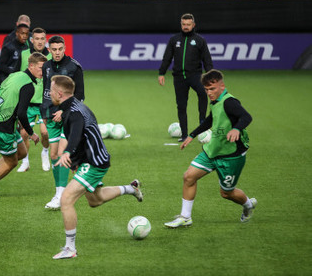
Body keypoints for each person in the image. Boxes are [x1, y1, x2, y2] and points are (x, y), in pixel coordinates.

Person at [50, 75, 143, 259]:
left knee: (66, 199)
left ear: (59, 93)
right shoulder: (71, 106)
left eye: (51, 90)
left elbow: (76, 132)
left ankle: (70, 249)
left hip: (93, 162)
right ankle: (131, 188)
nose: (49, 93)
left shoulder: (74, 112)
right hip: (85, 160)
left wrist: (67, 152)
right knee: (95, 200)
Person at [164, 69, 256, 228]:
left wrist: (237, 129)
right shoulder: (215, 102)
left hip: (231, 156)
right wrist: (191, 135)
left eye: (212, 89)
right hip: (213, 151)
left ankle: (248, 205)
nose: (209, 93)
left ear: (222, 86)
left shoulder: (229, 102)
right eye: (206, 89)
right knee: (189, 177)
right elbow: (210, 120)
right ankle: (186, 217)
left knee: (226, 193)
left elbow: (246, 117)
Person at [0, 52, 48, 200]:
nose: (43, 71)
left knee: (21, 153)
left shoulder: (16, 75)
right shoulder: (29, 86)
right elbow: (22, 113)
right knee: (11, 162)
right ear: (31, 66)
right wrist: (31, 133)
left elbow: (2, 93)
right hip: (3, 129)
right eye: (41, 68)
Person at [41, 36, 85, 210]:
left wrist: (64, 110)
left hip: (68, 116)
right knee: (54, 156)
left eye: (60, 49)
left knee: (61, 153)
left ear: (64, 48)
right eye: (54, 49)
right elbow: (45, 93)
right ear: (49, 49)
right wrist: (43, 117)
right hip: (51, 117)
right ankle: (68, 187)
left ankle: (60, 195)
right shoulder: (46, 66)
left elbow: (80, 96)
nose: (57, 52)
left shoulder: (75, 66)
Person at [158, 13, 213, 141]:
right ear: (181, 25)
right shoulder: (174, 40)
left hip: (195, 75)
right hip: (179, 78)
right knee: (181, 106)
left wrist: (210, 76)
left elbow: (207, 60)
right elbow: (167, 57)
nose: (186, 27)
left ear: (193, 25)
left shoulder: (200, 40)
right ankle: (184, 135)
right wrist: (161, 73)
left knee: (203, 94)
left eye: (188, 24)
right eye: (183, 24)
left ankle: (202, 122)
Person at [0, 22, 31, 151]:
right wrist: (14, 72)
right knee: (3, 110)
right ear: (16, 33)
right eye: (22, 34)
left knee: (11, 111)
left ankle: (9, 137)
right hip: (1, 83)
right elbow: (0, 65)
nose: (25, 36)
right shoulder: (9, 47)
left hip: (12, 85)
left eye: (27, 34)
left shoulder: (26, 48)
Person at [17, 27, 52, 172]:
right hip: (28, 101)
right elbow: (19, 75)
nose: (39, 41)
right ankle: (25, 161)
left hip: (44, 102)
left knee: (45, 133)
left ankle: (45, 153)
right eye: (36, 38)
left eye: (42, 39)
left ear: (45, 40)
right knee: (24, 133)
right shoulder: (24, 55)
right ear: (32, 40)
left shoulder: (50, 57)